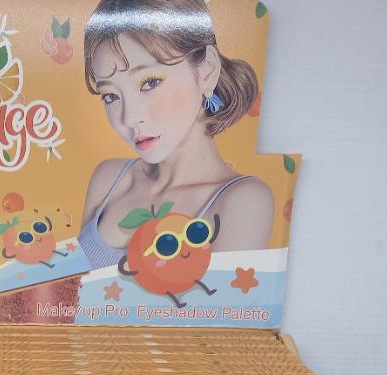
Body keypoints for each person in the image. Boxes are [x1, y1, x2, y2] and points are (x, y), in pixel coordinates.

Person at [78, 0, 274, 271]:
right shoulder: (109, 178)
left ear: (207, 70)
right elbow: (70, 292)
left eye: (149, 82)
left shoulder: (243, 201)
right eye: (110, 95)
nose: (129, 118)